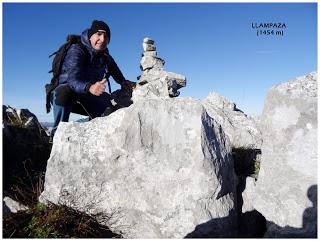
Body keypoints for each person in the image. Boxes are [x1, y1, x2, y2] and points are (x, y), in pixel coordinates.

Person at [50, 20, 135, 140]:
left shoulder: (105, 55)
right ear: (90, 36)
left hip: (89, 94)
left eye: (106, 36)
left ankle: (93, 136)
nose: (102, 39)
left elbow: (114, 68)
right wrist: (89, 87)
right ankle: (56, 137)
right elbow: (72, 80)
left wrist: (123, 81)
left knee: (109, 110)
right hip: (69, 94)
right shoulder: (77, 50)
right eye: (98, 34)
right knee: (63, 93)